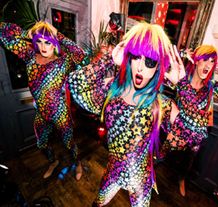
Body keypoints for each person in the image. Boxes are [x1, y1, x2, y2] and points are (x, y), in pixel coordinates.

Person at [68, 22, 189, 207]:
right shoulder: (111, 90)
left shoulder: (161, 104)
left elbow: (190, 134)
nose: (140, 67)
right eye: (135, 57)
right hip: (113, 171)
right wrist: (108, 58)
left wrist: (184, 86)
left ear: (158, 67)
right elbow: (76, 85)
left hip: (140, 180)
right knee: (97, 204)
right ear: (128, 57)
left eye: (149, 61)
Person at [0, 21, 86, 180]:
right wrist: (28, 33)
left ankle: (77, 163)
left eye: (47, 42)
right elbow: (4, 33)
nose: (42, 46)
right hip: (41, 113)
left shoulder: (63, 62)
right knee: (42, 144)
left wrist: (57, 34)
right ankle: (53, 162)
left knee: (69, 143)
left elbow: (80, 54)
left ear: (54, 44)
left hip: (60, 113)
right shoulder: (30, 56)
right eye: (39, 41)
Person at [161, 45, 218, 196]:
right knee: (162, 152)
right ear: (196, 61)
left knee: (188, 162)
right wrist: (181, 54)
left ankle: (182, 180)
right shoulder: (182, 79)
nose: (208, 65)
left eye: (212, 61)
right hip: (178, 128)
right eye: (204, 60)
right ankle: (152, 170)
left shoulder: (211, 87)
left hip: (196, 133)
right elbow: (164, 73)